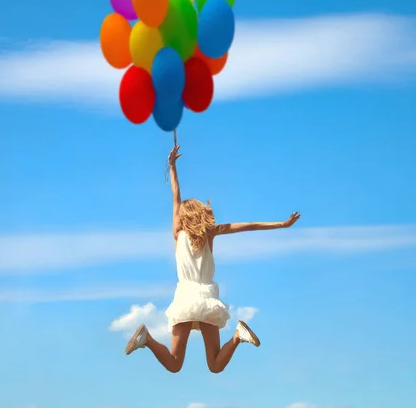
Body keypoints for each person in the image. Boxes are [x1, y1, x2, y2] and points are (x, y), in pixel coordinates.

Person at [124, 143, 301, 373]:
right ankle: (238, 336)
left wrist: (172, 167)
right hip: (207, 297)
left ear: (183, 217)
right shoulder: (211, 233)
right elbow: (248, 226)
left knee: (175, 363)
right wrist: (281, 224)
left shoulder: (178, 234)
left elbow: (175, 196)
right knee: (215, 365)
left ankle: (146, 339)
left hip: (185, 296)